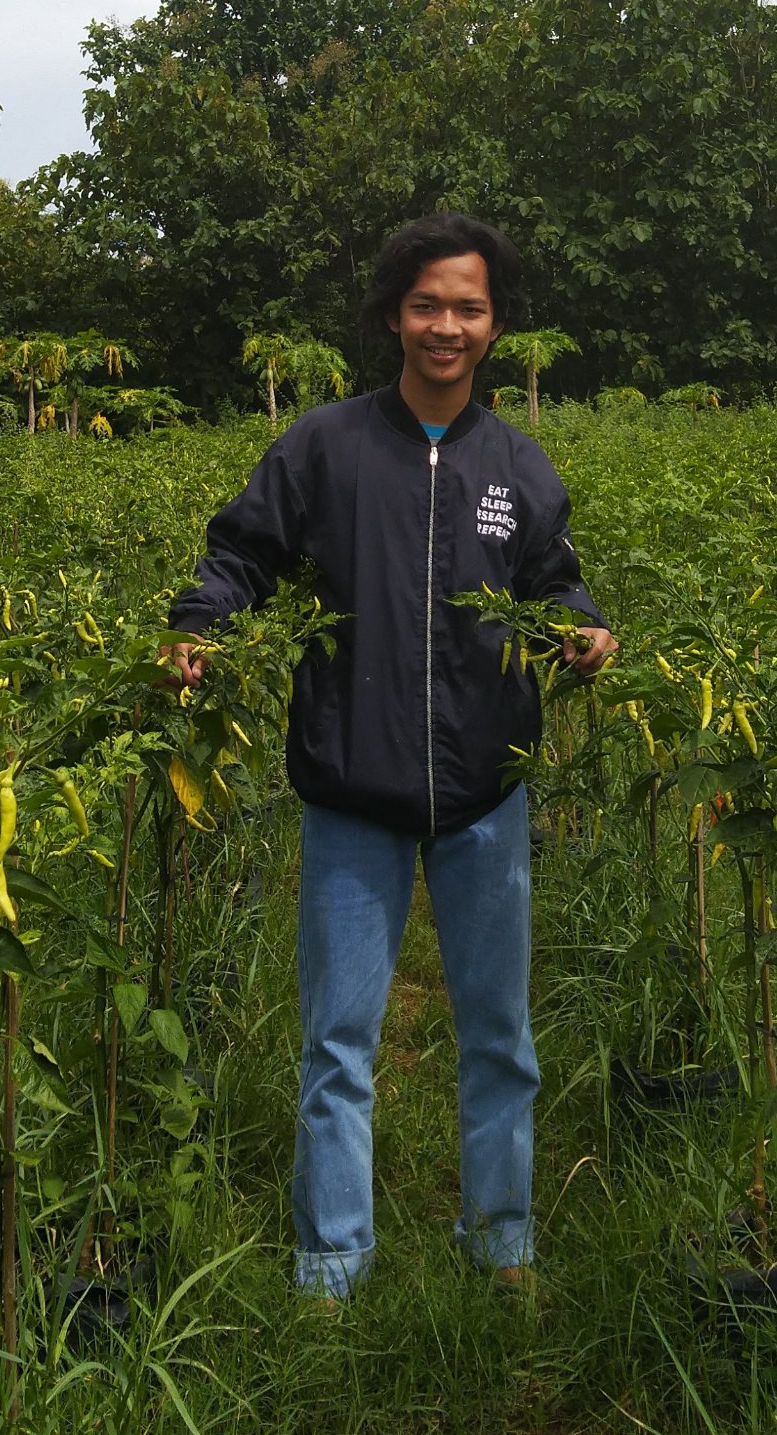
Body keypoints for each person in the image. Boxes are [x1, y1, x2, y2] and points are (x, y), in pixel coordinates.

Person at [166, 214, 615, 1299]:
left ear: (493, 323)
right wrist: (200, 623)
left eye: (466, 306)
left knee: (500, 1036)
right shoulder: (324, 445)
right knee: (338, 1042)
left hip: (483, 794)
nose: (445, 325)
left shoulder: (515, 462)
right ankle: (332, 1265)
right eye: (426, 304)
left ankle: (501, 1244)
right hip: (351, 789)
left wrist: (582, 625)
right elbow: (242, 553)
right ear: (391, 315)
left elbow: (552, 578)